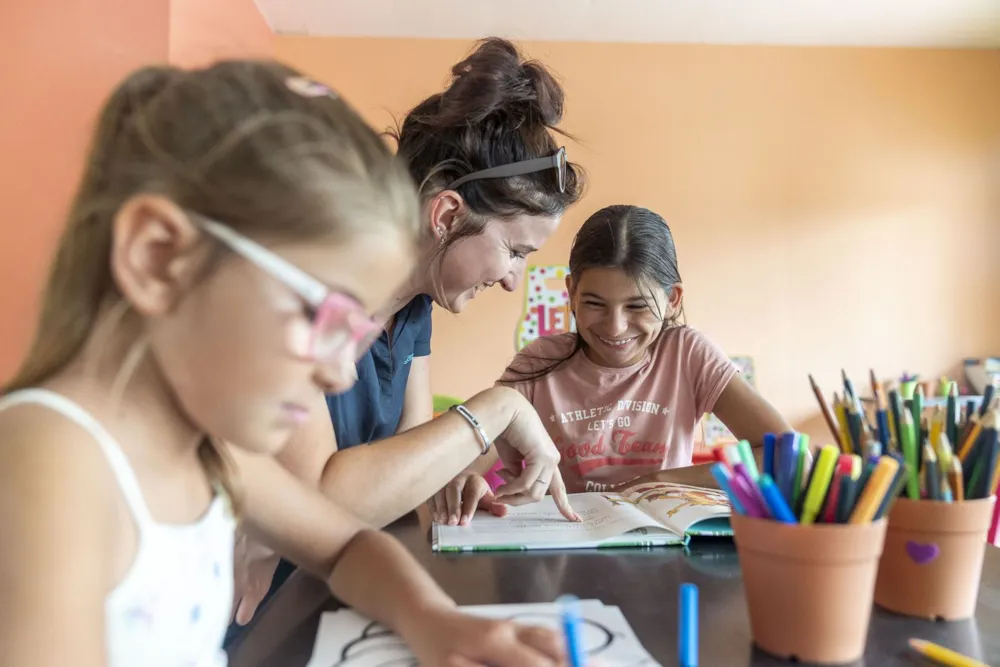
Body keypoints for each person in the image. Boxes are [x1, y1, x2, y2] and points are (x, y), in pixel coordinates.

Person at [0, 60, 569, 667]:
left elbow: (347, 546)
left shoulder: (211, 453)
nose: (342, 373)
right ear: (160, 257)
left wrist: (433, 620)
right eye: (325, 318)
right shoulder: (52, 461)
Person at [230, 38, 585, 627]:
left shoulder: (416, 309)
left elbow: (405, 459)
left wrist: (453, 478)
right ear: (446, 215)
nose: (510, 281)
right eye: (515, 251)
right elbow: (321, 498)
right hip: (252, 607)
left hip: (344, 591)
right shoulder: (311, 289)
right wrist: (496, 409)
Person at [430, 205, 793, 524]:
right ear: (570, 293)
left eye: (636, 306)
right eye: (595, 304)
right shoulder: (540, 361)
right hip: (572, 540)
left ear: (672, 299)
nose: (615, 327)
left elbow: (784, 455)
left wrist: (657, 482)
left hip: (667, 540)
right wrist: (465, 478)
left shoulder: (688, 354)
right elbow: (469, 455)